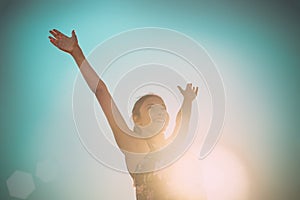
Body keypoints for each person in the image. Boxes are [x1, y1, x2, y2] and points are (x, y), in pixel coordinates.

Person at [49, 29, 199, 199]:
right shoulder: (133, 145)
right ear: (137, 119)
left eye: (163, 107)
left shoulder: (170, 147)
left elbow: (182, 123)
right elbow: (101, 91)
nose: (160, 111)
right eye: (151, 106)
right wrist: (76, 52)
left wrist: (187, 101)